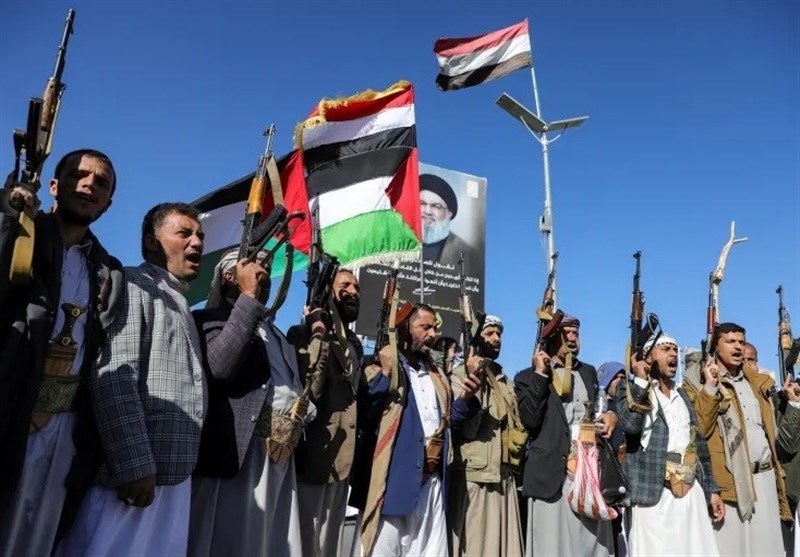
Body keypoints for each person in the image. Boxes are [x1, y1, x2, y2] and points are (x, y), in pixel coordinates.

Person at [56, 202, 207, 557]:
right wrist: (134, 464)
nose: (198, 242)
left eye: (200, 235)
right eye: (184, 233)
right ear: (152, 243)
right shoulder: (133, 285)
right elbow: (114, 375)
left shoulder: (178, 300)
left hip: (170, 478)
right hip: (131, 480)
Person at [0, 150, 122, 556]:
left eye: (101, 183)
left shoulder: (107, 271)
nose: (88, 185)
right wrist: (9, 218)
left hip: (62, 432)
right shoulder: (21, 232)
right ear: (54, 186)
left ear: (107, 204)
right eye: (78, 175)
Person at [188, 248, 315, 556]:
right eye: (256, 266)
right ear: (230, 276)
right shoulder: (210, 318)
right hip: (241, 452)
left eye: (268, 268)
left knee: (272, 543)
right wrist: (248, 298)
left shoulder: (276, 334)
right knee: (233, 541)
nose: (264, 274)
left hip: (280, 455)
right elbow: (221, 367)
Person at [359, 303, 482, 557]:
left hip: (432, 484)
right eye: (425, 327)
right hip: (395, 484)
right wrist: (385, 372)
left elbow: (449, 422)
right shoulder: (385, 368)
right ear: (405, 329)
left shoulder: (438, 377)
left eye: (434, 328)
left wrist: (466, 398)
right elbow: (368, 414)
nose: (432, 334)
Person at [683, 323, 793, 557]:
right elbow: (699, 430)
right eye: (730, 341)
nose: (737, 347)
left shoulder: (757, 382)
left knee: (769, 550)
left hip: (766, 478)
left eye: (741, 342)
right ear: (716, 346)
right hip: (731, 482)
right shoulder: (698, 383)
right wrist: (710, 388)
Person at [515, 313, 617, 556]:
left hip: (588, 473)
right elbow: (530, 421)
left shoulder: (588, 373)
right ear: (551, 338)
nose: (572, 338)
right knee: (552, 547)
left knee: (592, 546)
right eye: (567, 333)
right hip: (552, 474)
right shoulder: (527, 377)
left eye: (576, 333)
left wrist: (611, 414)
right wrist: (541, 375)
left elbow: (601, 408)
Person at [616, 333, 723, 556]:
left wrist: (712, 490)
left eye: (675, 350)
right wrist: (641, 381)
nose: (673, 354)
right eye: (665, 349)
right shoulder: (629, 389)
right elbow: (631, 426)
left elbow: (699, 443)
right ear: (648, 357)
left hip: (689, 491)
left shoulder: (681, 394)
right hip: (654, 497)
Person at [287, 269, 365, 557]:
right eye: (345, 285)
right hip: (313, 460)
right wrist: (317, 331)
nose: (353, 291)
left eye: (356, 287)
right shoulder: (301, 334)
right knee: (304, 545)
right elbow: (309, 388)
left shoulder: (353, 344)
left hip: (343, 462)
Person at [448, 315, 525, 557]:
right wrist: (475, 382)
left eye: (499, 334)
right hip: (476, 477)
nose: (496, 339)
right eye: (489, 333)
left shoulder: (504, 379)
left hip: (504, 478)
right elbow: (464, 427)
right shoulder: (458, 375)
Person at [744, 342, 800, 557]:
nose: (747, 365)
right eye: (743, 359)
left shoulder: (777, 400)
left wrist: (792, 403)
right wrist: (792, 405)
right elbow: (786, 444)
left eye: (751, 360)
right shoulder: (778, 401)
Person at [419, 174, 479, 268]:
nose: (427, 211)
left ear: (449, 213)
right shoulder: (399, 240)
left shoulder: (467, 252)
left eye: (436, 206)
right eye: (422, 203)